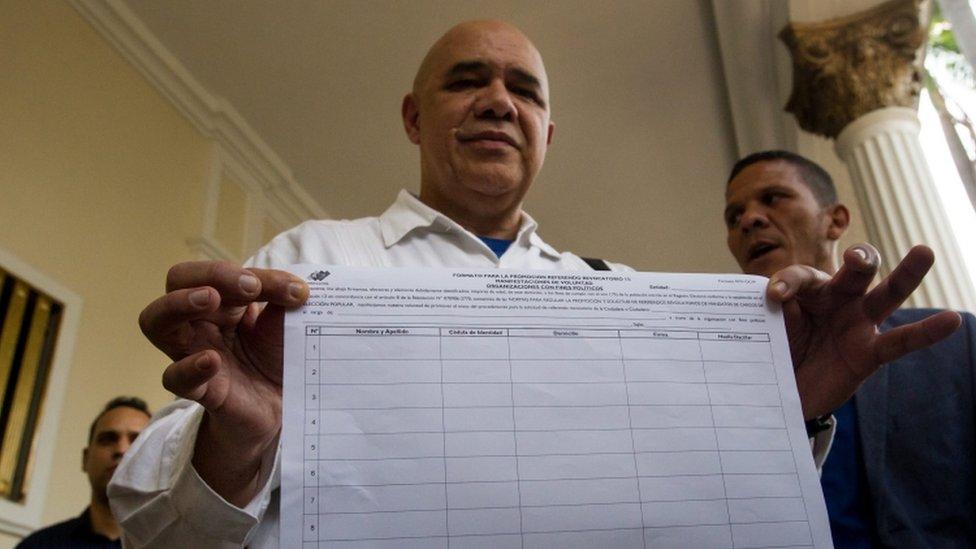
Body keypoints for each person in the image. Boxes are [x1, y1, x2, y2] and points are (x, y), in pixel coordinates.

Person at [110, 21, 962, 548]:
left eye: (522, 89)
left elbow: (703, 512)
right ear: (415, 116)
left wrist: (784, 417)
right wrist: (237, 445)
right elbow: (152, 530)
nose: (496, 99)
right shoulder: (304, 263)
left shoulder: (621, 296)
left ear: (547, 133)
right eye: (466, 80)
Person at [724, 150, 976, 547]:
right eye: (733, 217)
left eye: (773, 198)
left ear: (835, 220)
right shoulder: (719, 388)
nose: (748, 221)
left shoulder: (955, 345)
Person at [17, 396, 151, 548]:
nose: (121, 450)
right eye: (107, 439)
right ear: (85, 459)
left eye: (138, 440)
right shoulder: (37, 546)